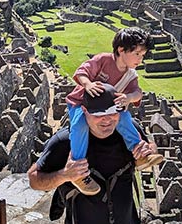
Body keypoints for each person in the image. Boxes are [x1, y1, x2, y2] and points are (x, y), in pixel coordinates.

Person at [28, 87, 158, 224]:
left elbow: (150, 149)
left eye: (113, 112)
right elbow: (34, 179)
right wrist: (65, 175)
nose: (107, 120)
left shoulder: (129, 132)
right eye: (99, 114)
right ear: (84, 111)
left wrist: (148, 151)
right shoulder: (65, 142)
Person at [66, 27, 163, 195]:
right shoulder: (103, 60)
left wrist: (129, 98)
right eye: (137, 54)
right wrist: (87, 84)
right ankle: (78, 171)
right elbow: (83, 71)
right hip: (81, 103)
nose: (141, 59)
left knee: (125, 118)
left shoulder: (130, 75)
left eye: (143, 55)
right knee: (79, 126)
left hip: (110, 108)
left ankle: (139, 154)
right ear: (121, 50)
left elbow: (138, 92)